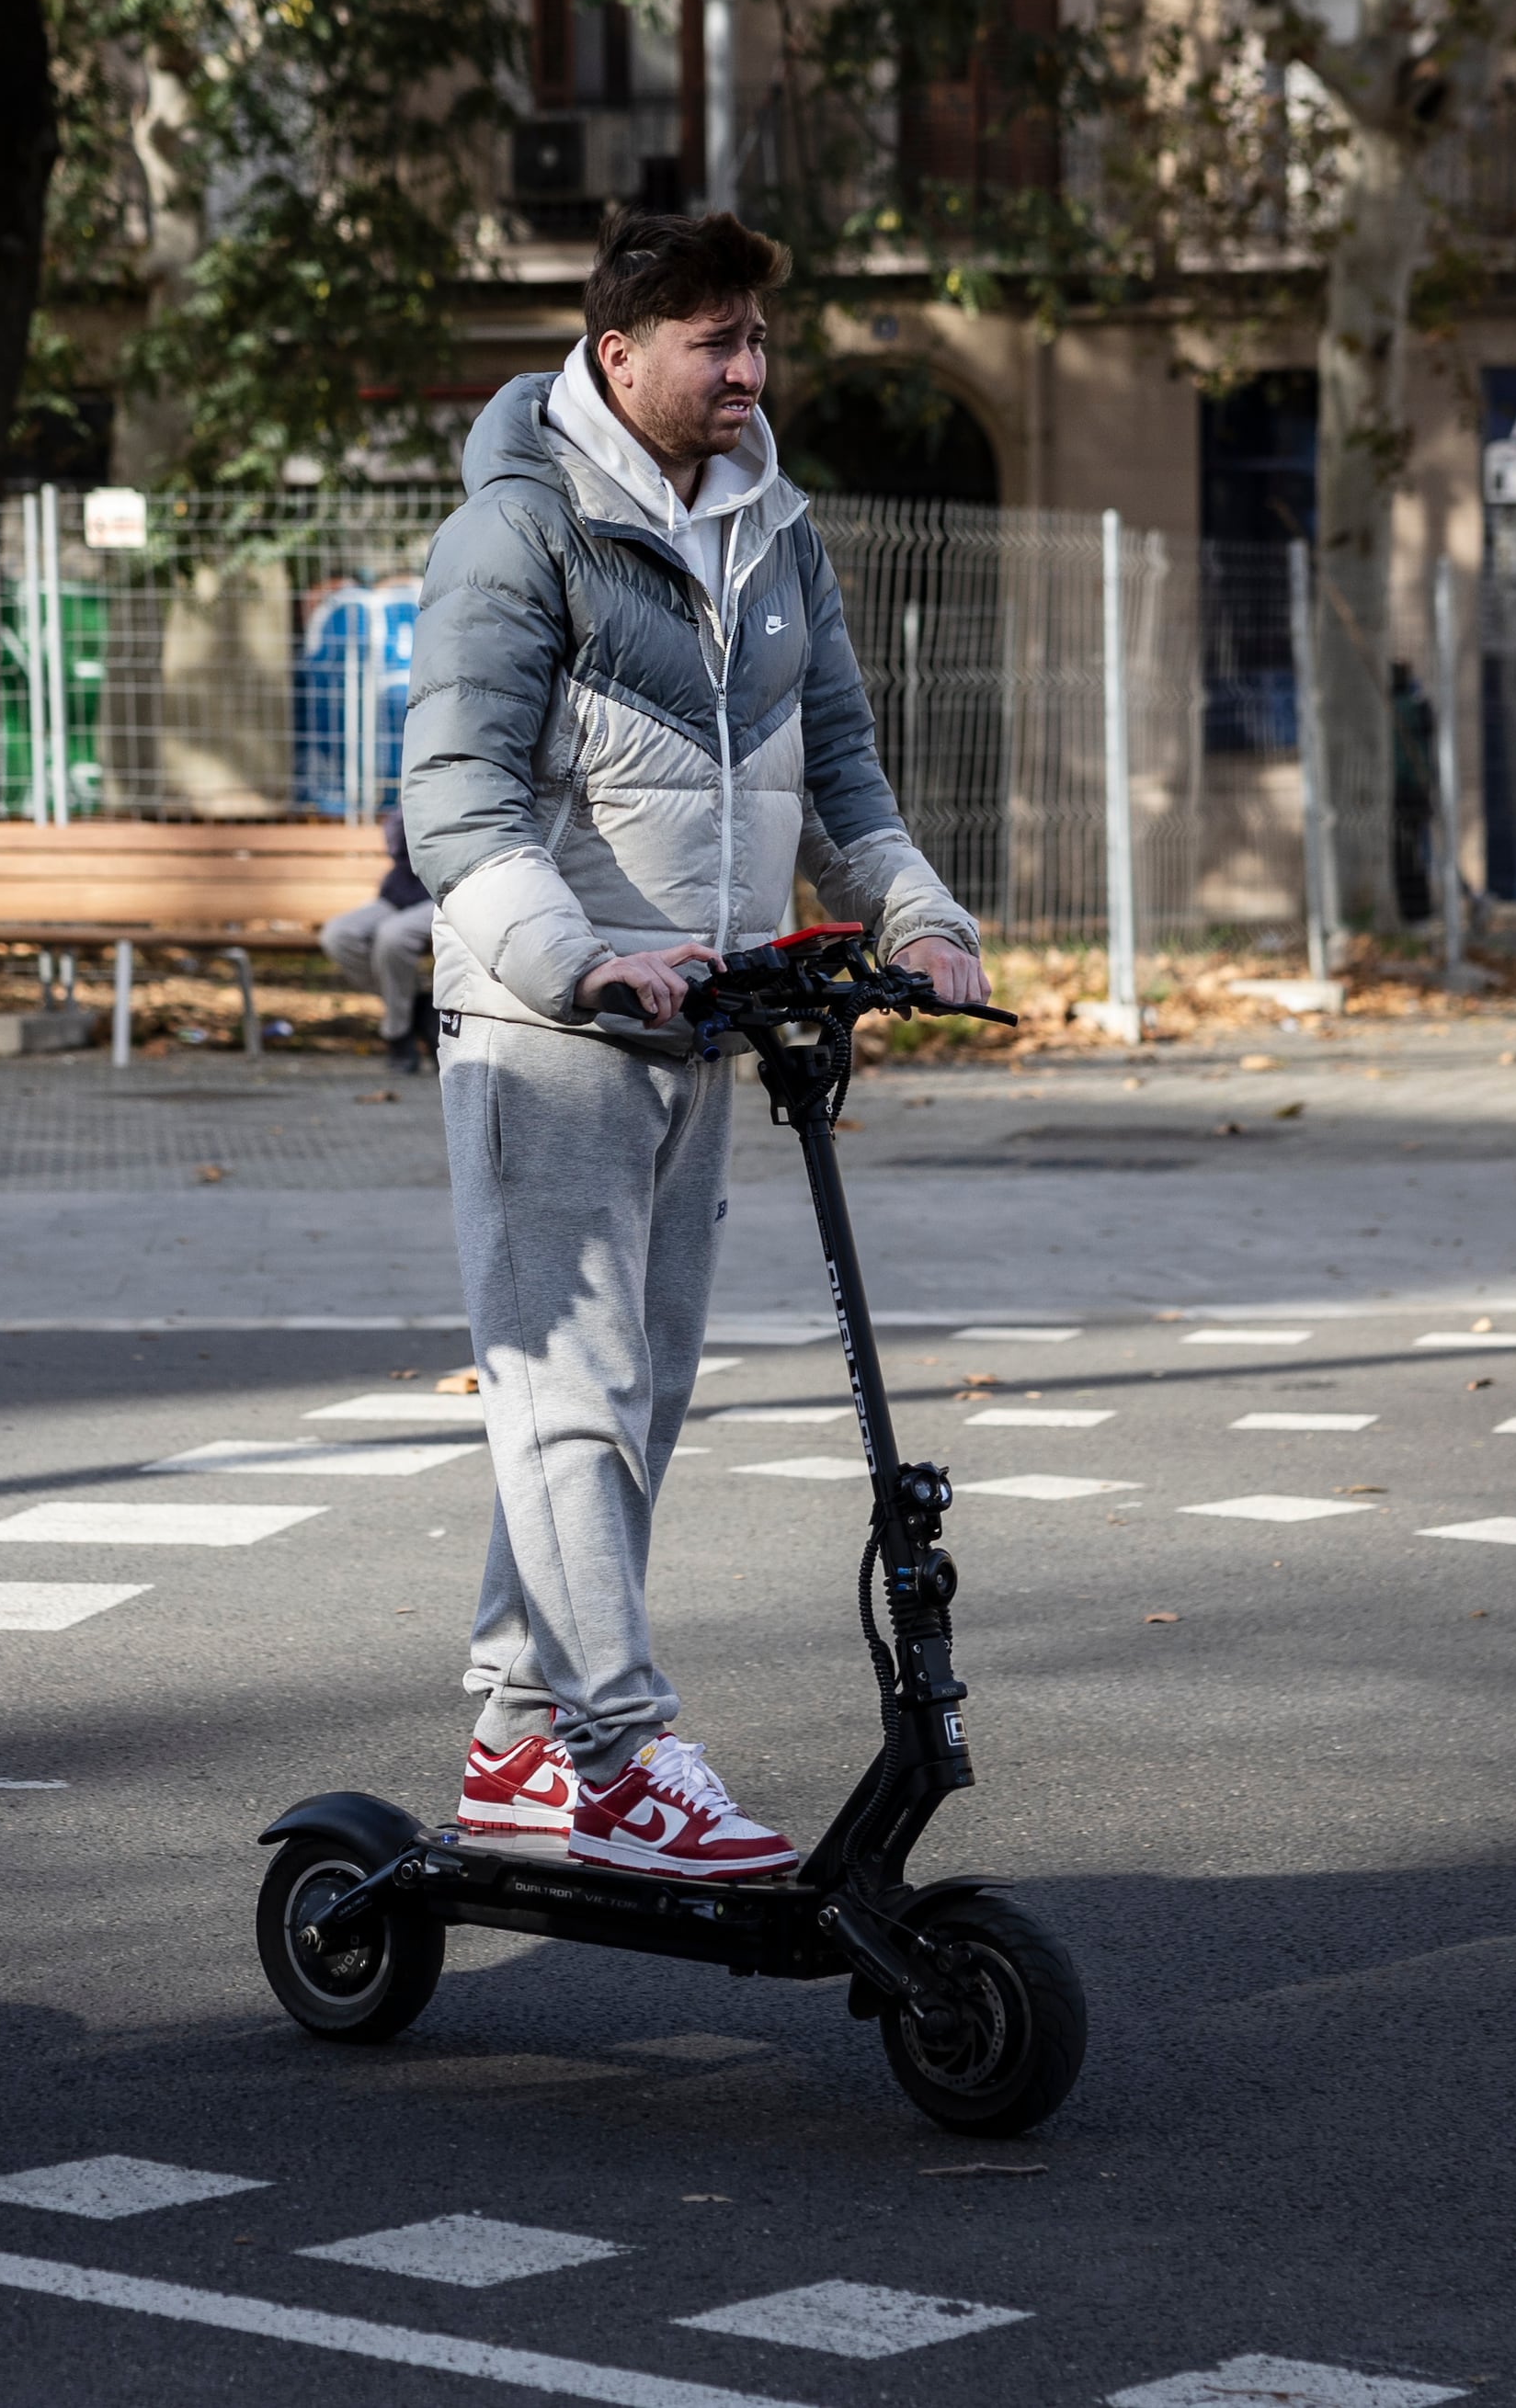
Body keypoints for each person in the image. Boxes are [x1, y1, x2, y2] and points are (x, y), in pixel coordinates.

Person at [403, 210, 985, 1880]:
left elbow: (847, 774)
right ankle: (619, 1742)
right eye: (717, 341)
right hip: (549, 1026)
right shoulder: (519, 532)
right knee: (564, 1397)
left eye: (755, 339)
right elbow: (454, 799)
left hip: (707, 1021)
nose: (750, 368)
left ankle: (518, 1740)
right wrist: (581, 960)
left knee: (629, 1403)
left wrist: (917, 917)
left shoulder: (772, 526)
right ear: (619, 355)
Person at [318, 808, 439, 1073]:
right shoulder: (422, 783)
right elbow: (396, 840)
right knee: (338, 934)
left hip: (444, 894)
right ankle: (420, 1008)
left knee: (393, 936)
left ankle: (397, 1032)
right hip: (402, 891)